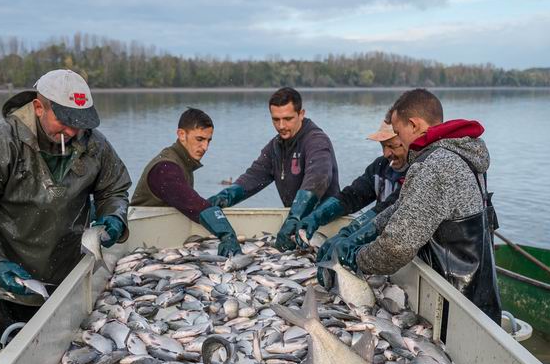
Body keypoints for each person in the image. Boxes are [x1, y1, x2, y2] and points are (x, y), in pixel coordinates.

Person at [0, 69, 131, 348]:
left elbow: (114, 189)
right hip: (15, 275)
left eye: (80, 122)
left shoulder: (94, 144)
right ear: (38, 107)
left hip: (72, 272)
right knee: (13, 348)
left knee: (64, 348)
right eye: (64, 120)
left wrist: (114, 216)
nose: (72, 131)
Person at [336, 88, 501, 321]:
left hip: (457, 308)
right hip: (478, 300)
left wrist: (357, 259)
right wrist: (369, 230)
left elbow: (397, 246)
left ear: (413, 125)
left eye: (397, 131)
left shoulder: (437, 165)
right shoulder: (461, 153)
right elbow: (408, 206)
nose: (398, 140)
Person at [207, 87, 340, 251]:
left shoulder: (316, 141)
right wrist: (221, 198)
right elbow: (253, 177)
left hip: (323, 224)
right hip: (294, 227)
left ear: (301, 114)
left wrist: (295, 216)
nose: (281, 126)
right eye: (276, 120)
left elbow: (319, 178)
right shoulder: (275, 147)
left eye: (288, 119)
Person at [304, 121, 409, 286]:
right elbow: (352, 196)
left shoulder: (419, 171)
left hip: (407, 252)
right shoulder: (381, 166)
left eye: (392, 146)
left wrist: (349, 235)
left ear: (409, 139)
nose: (386, 153)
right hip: (380, 249)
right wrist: (317, 216)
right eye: (383, 146)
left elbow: (389, 207)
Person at [130, 108, 241, 256]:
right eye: (200, 139)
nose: (205, 147)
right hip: (143, 244)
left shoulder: (182, 162)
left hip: (163, 240)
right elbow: (193, 204)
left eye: (208, 140)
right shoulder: (165, 168)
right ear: (182, 135)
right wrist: (227, 234)